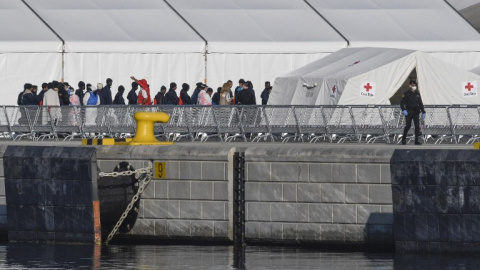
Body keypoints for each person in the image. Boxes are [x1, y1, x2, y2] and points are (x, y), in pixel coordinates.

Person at [400, 80, 426, 145]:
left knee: (417, 126)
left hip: (416, 112)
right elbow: (402, 103)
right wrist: (403, 110)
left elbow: (420, 103)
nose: (414, 86)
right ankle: (403, 138)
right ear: (409, 86)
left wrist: (423, 111)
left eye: (414, 85)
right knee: (408, 126)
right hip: (409, 112)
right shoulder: (406, 94)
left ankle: (416, 141)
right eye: (412, 85)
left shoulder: (417, 94)